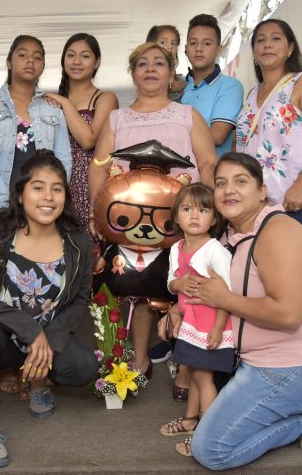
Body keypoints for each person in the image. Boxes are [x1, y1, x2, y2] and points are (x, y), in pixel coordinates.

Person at [161, 152, 302, 467]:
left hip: (293, 365)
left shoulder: (278, 232)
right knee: (204, 387)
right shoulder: (231, 235)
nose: (228, 189)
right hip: (248, 360)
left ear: (261, 191)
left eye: (240, 181)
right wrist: (177, 306)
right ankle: (298, 404)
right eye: (221, 183)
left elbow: (288, 315)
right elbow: (208, 284)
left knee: (210, 450)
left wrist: (223, 299)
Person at [88, 42, 216, 388]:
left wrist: (207, 211)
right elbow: (98, 166)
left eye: (159, 63)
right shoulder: (117, 118)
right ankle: (140, 358)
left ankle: (188, 367)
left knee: (188, 288)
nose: (150, 69)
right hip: (130, 223)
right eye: (142, 63)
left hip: (180, 221)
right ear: (132, 74)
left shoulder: (187, 115)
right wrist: (97, 213)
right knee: (139, 289)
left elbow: (207, 163)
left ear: (171, 73)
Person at [0, 149, 97, 468]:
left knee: (84, 367)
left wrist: (49, 337)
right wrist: (30, 329)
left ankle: (38, 380)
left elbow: (80, 298)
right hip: (3, 339)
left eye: (57, 188)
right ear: (20, 195)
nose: (48, 197)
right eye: (38, 187)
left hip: (46, 338)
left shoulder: (77, 240)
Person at [234, 18, 302, 235]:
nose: (267, 45)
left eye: (276, 39)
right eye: (260, 40)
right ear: (253, 52)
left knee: (283, 255)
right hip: (255, 201)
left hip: (295, 195)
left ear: (290, 48)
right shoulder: (252, 93)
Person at [159, 183, 233, 448]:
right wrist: (177, 285)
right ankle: (190, 420)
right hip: (191, 325)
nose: (194, 216)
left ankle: (208, 435)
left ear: (214, 219)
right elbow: (171, 280)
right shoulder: (176, 248)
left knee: (203, 377)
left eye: (203, 210)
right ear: (176, 216)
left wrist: (218, 327)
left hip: (210, 327)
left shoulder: (215, 250)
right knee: (192, 372)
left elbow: (227, 293)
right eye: (187, 209)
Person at [0, 35, 72, 212]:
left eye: (37, 57)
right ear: (9, 62)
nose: (30, 60)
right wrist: (3, 204)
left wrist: (51, 198)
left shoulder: (54, 111)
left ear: (43, 66)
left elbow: (64, 160)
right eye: (22, 55)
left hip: (43, 207)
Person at [42, 33, 119, 230]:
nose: (77, 61)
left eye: (85, 56)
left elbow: (88, 140)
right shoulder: (51, 101)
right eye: (71, 55)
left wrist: (65, 103)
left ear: (97, 62)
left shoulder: (105, 98)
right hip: (57, 183)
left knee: (89, 244)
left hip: (89, 184)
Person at [180, 14, 244, 156]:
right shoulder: (177, 86)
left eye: (207, 43)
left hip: (210, 169)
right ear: (186, 48)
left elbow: (217, 136)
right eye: (193, 43)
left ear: (218, 49)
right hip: (173, 169)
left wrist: (169, 135)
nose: (199, 49)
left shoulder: (230, 86)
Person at [146, 25, 185, 100]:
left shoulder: (172, 68)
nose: (170, 47)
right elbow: (174, 87)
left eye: (173, 43)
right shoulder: (151, 71)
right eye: (163, 42)